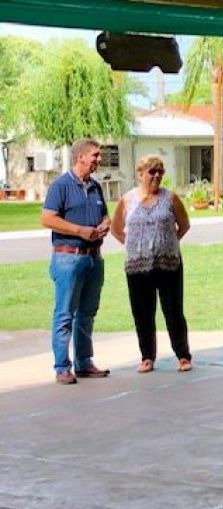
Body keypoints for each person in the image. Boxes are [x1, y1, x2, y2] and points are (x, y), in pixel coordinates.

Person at [110, 155, 192, 373]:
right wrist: (135, 246)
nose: (156, 176)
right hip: (137, 266)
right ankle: (147, 356)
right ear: (140, 174)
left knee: (173, 311)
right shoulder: (127, 200)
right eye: (152, 172)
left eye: (160, 172)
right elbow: (116, 229)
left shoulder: (171, 198)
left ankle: (183, 355)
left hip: (168, 264)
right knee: (142, 312)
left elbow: (184, 225)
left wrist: (167, 242)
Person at [40, 138, 111, 384]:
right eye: (95, 155)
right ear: (80, 157)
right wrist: (80, 231)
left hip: (93, 260)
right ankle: (62, 367)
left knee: (87, 313)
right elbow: (47, 218)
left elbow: (104, 214)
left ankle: (84, 362)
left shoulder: (95, 187)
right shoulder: (60, 186)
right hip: (68, 258)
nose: (99, 160)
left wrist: (104, 224)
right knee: (65, 314)